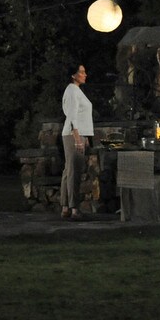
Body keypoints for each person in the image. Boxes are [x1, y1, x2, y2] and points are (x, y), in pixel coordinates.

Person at [60, 63, 93, 221]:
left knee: (68, 171)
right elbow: (72, 116)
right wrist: (78, 138)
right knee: (74, 172)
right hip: (73, 135)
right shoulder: (72, 91)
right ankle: (74, 209)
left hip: (76, 134)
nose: (85, 74)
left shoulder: (75, 90)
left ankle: (66, 207)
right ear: (73, 75)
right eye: (81, 72)